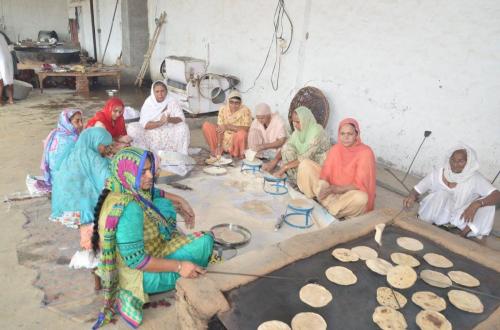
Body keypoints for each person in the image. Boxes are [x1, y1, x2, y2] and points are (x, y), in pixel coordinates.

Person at [91, 147, 213, 328]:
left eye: (150, 169)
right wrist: (180, 267)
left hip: (128, 262)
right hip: (139, 275)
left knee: (162, 203)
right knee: (205, 242)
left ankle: (169, 255)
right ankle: (130, 292)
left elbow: (155, 193)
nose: (151, 175)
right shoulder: (129, 208)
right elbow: (137, 261)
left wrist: (181, 200)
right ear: (129, 174)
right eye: (143, 172)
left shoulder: (119, 186)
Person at [403, 144, 500, 238]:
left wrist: (477, 204)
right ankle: (427, 223)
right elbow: (418, 189)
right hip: (436, 213)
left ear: (468, 162)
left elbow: (497, 195)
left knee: (488, 204)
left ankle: (463, 233)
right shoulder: (440, 172)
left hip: (460, 217)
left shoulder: (474, 178)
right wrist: (411, 196)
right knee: (442, 194)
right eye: (453, 160)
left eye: (460, 161)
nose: (455, 164)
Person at [297, 118, 376, 218]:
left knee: (361, 199)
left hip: (347, 194)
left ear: (356, 135)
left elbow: (359, 184)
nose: (345, 137)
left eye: (350, 134)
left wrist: (335, 189)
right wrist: (323, 187)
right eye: (342, 134)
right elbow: (325, 174)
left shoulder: (365, 153)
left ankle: (332, 208)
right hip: (330, 192)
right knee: (305, 165)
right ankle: (323, 202)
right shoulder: (336, 149)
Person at [51, 127, 113, 247]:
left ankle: (87, 241)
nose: (106, 150)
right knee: (92, 218)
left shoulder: (73, 150)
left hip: (63, 201)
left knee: (85, 222)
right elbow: (107, 177)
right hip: (79, 203)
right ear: (95, 142)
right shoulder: (90, 155)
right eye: (104, 146)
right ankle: (88, 245)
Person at [263, 106, 330, 181]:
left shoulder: (317, 132)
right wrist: (274, 161)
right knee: (286, 149)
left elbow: (306, 157)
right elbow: (287, 145)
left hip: (317, 165)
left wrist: (285, 167)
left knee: (306, 164)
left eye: (298, 122)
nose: (295, 125)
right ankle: (297, 179)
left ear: (305, 120)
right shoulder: (298, 131)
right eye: (293, 121)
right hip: (304, 161)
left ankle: (307, 181)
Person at [127, 80, 190, 155]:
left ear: (166, 91)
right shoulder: (149, 103)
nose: (160, 94)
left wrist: (169, 119)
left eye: (162, 91)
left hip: (168, 132)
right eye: (157, 92)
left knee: (183, 127)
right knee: (132, 127)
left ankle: (178, 153)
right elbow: (144, 125)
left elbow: (181, 118)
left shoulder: (172, 101)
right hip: (151, 134)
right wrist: (161, 122)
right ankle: (145, 153)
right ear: (153, 93)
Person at [202, 90, 252, 159]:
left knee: (242, 134)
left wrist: (228, 126)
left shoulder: (245, 110)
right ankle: (216, 150)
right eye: (231, 102)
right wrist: (219, 145)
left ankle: (236, 153)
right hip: (223, 138)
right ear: (228, 102)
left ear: (240, 103)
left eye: (237, 103)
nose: (234, 105)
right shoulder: (223, 109)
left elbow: (246, 128)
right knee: (206, 126)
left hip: (235, 138)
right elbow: (220, 128)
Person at [40, 109, 83, 188]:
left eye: (81, 120)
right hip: (63, 180)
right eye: (77, 121)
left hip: (54, 177)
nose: (81, 124)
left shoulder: (57, 133)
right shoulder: (70, 140)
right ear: (68, 123)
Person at [0, 32, 14, 106]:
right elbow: (11, 46)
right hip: (7, 57)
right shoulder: (2, 34)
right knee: (9, 79)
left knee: (0, 80)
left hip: (2, 58)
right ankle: (11, 99)